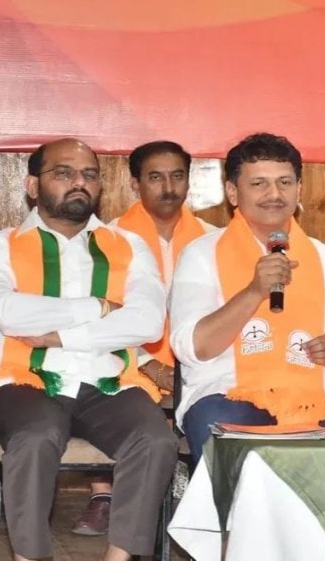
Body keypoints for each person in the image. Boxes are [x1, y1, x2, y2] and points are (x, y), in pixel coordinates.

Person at [0, 138, 178, 561]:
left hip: (108, 382)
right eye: (63, 173)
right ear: (33, 185)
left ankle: (118, 558)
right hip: (23, 381)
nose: (79, 182)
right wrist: (98, 307)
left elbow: (146, 322)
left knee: (156, 439)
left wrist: (61, 336)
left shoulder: (128, 245)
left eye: (89, 175)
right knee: (36, 434)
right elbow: (7, 312)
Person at [170, 133, 325, 465]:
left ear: (299, 189)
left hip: (318, 397)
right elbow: (193, 348)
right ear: (232, 193)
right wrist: (254, 291)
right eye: (259, 184)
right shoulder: (201, 255)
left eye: (284, 182)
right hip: (226, 394)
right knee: (229, 445)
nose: (275, 194)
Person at [72, 140, 216, 536]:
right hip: (126, 358)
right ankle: (104, 495)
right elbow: (101, 320)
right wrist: (150, 364)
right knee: (105, 383)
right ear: (135, 183)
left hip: (196, 359)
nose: (168, 187)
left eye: (177, 176)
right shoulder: (106, 241)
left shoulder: (212, 240)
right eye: (155, 177)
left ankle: (201, 500)